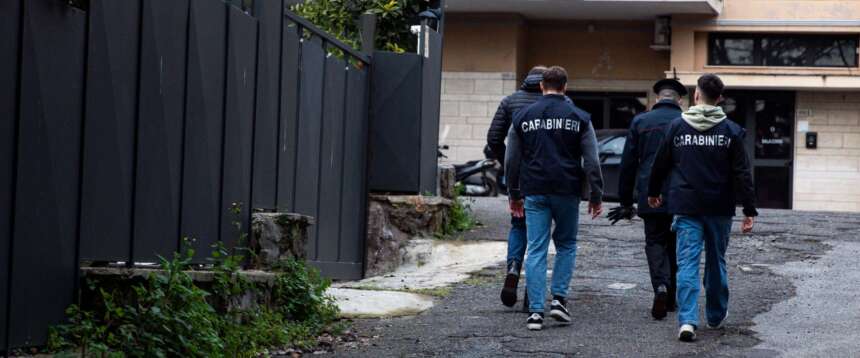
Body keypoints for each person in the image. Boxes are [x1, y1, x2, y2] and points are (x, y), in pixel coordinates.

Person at [647, 73, 757, 342]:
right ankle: (716, 315)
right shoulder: (731, 131)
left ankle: (687, 321)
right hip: (719, 207)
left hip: (686, 206)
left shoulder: (676, 127)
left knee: (687, 263)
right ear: (719, 99)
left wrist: (653, 192)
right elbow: (742, 172)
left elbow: (660, 162)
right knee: (716, 262)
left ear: (696, 95)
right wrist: (749, 209)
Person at [505, 66, 604, 331]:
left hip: (534, 189)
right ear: (565, 86)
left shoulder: (523, 116)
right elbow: (592, 161)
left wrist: (514, 193)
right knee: (566, 244)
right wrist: (596, 194)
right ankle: (559, 299)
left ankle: (535, 312)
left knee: (536, 248)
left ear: (541, 86)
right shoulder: (580, 117)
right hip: (567, 189)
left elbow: (511, 159)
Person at [609, 78, 687, 320]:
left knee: (654, 242)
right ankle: (672, 297)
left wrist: (625, 202)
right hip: (681, 195)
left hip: (649, 195)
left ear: (656, 98)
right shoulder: (686, 122)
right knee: (675, 246)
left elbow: (628, 165)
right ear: (680, 100)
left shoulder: (641, 121)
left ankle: (660, 287)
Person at [486, 66, 547, 310]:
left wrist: (509, 159)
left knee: (518, 224)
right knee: (540, 234)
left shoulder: (510, 101)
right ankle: (533, 294)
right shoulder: (554, 103)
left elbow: (493, 138)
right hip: (546, 175)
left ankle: (513, 268)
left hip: (518, 175)